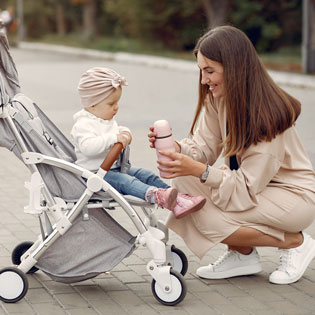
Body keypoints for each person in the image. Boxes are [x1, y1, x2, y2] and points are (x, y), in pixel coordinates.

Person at [148, 25, 315, 285]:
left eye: (210, 71)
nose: (204, 80)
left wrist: (199, 171)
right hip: (254, 188)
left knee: (207, 215)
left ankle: (296, 242)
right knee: (183, 189)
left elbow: (245, 187)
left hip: (292, 197)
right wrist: (177, 150)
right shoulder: (218, 98)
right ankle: (243, 254)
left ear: (234, 68)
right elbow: (204, 149)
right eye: (201, 71)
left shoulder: (268, 115)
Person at [71, 67, 206, 219]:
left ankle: (178, 199)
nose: (116, 107)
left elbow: (116, 129)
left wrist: (125, 132)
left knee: (145, 175)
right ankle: (155, 196)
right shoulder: (83, 125)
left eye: (117, 102)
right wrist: (114, 138)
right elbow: (88, 147)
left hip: (113, 169)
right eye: (111, 104)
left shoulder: (103, 118)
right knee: (127, 181)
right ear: (92, 104)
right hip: (95, 175)